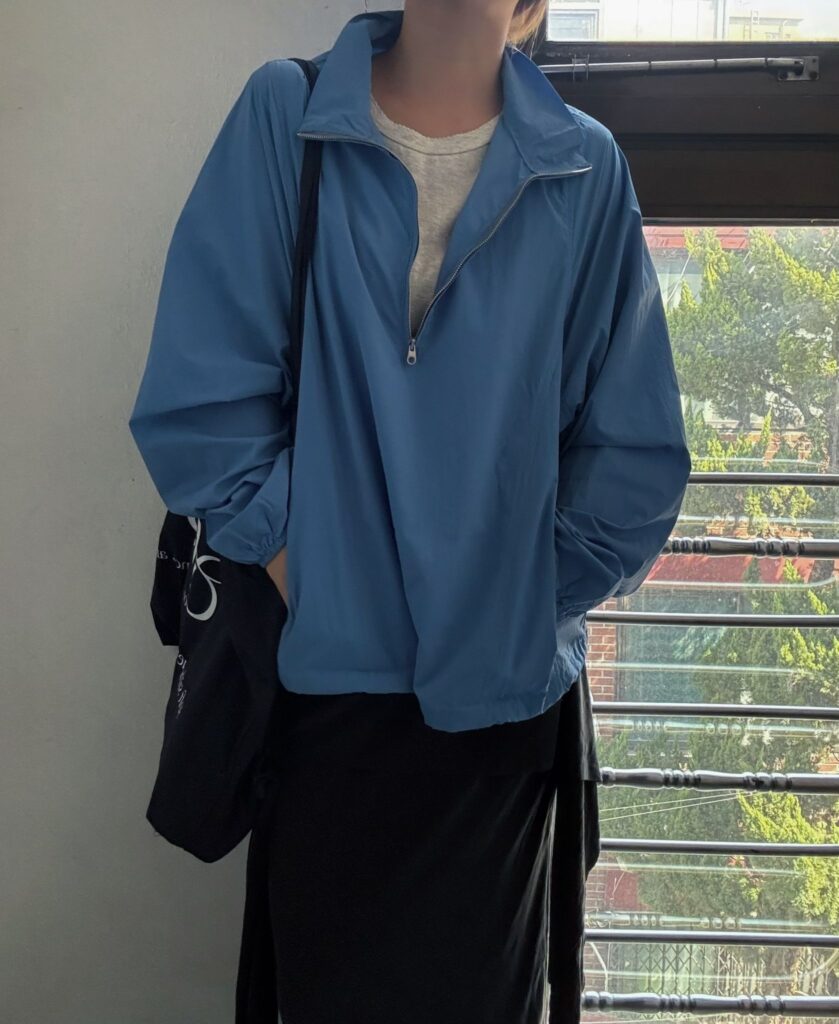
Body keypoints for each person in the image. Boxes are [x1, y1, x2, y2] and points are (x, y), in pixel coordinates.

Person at [128, 3, 692, 1022]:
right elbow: (201, 403)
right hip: (323, 710)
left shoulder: (583, 165)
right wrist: (312, 576)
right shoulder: (288, 114)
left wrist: (517, 606)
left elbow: (633, 460)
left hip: (502, 729)